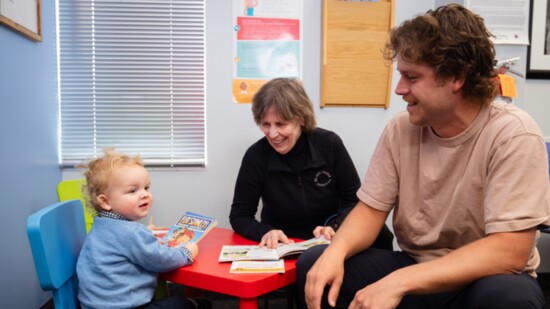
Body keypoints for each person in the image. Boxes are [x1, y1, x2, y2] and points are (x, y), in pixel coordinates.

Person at [298, 4, 550, 309]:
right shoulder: (400, 129)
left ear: (457, 77)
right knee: (317, 266)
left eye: (412, 77)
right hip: (417, 264)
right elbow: (370, 211)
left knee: (511, 299)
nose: (399, 89)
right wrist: (335, 253)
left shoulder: (513, 134)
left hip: (485, 276)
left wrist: (397, 283)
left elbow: (509, 252)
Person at [229, 77, 394, 250]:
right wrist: (265, 232)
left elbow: (353, 200)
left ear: (301, 118)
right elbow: (240, 215)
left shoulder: (329, 144)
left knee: (380, 236)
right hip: (285, 243)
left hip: (331, 237)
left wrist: (335, 226)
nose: (272, 134)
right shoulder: (255, 156)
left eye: (281, 124)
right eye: (265, 124)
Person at [76, 148, 210, 309]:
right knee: (179, 303)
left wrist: (145, 232)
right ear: (106, 202)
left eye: (146, 188)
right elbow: (161, 260)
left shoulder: (101, 225)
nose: (145, 194)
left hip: (93, 305)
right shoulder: (132, 233)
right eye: (133, 191)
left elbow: (123, 243)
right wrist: (187, 253)